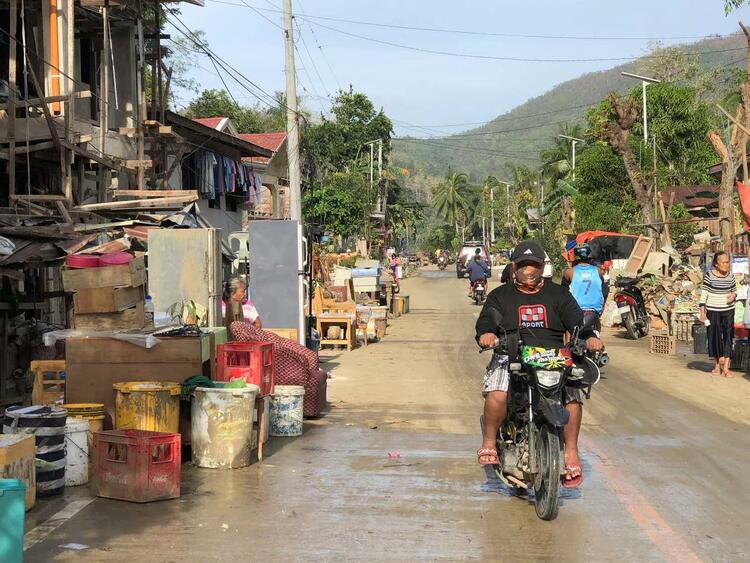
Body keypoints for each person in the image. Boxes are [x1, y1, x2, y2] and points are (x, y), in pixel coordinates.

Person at [475, 240, 602, 488]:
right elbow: (486, 321)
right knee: (498, 392)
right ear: (514, 267)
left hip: (554, 356)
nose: (528, 270)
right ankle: (489, 441)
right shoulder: (500, 296)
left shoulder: (559, 294)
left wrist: (590, 338)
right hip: (511, 354)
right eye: (523, 265)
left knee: (573, 397)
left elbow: (577, 322)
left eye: (533, 265)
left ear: (542, 266)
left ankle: (571, 452)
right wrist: (487, 334)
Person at [699, 251, 737, 377]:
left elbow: (734, 291)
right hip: (713, 310)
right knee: (714, 337)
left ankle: (726, 367)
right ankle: (716, 367)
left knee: (728, 336)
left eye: (728, 262)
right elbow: (704, 295)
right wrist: (702, 313)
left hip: (728, 310)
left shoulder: (731, 276)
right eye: (725, 262)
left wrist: (733, 295)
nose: (727, 265)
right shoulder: (709, 275)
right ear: (716, 264)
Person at [562, 243, 606, 329]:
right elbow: (603, 287)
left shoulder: (569, 272)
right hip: (595, 309)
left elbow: (563, 290)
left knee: (567, 329)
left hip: (576, 308)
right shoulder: (598, 271)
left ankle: (568, 342)